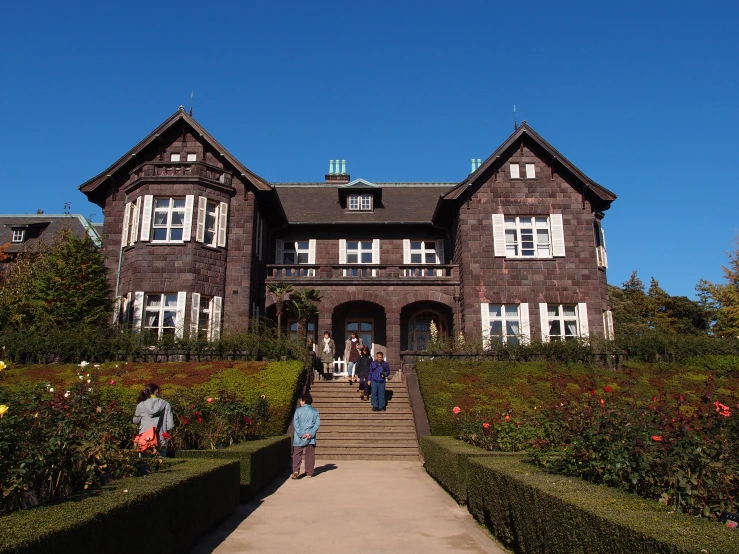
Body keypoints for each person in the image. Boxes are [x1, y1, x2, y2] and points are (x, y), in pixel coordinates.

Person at [133, 383, 175, 456]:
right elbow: (170, 425)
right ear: (157, 391)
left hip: (144, 439)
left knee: (143, 464)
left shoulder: (141, 405)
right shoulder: (166, 404)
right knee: (161, 464)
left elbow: (136, 421)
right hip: (161, 439)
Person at [291, 393, 321, 479]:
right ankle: (309, 472)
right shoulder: (315, 411)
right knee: (310, 454)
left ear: (303, 401)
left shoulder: (298, 411)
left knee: (297, 453)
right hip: (310, 436)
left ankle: (296, 470)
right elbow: (317, 424)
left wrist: (301, 433)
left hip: (299, 436)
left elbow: (296, 424)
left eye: (301, 400)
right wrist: (311, 433)